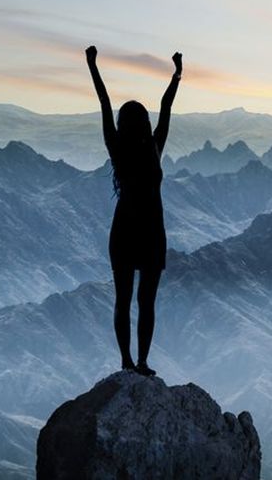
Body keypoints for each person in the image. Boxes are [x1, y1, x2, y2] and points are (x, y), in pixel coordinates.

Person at [86, 45, 182, 375]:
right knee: (139, 301)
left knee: (131, 301)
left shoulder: (122, 147)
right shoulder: (153, 147)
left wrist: (93, 65)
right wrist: (176, 75)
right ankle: (136, 362)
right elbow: (164, 107)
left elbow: (105, 102)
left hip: (129, 231)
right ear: (143, 122)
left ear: (122, 123)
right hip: (149, 232)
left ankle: (132, 362)